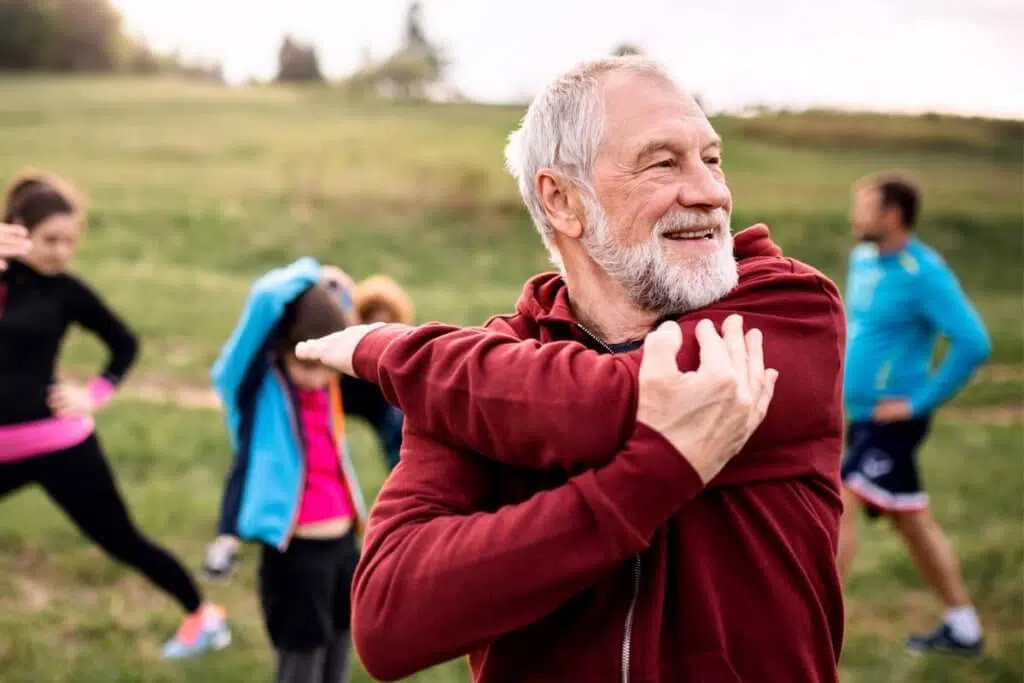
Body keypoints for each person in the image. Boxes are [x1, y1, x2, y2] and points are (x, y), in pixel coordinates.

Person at [296, 56, 847, 683]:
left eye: (712, 158)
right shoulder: (482, 376)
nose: (711, 192)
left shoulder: (787, 308)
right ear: (562, 200)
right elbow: (390, 621)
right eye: (664, 162)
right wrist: (654, 475)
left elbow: (606, 404)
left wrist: (395, 350)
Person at [0, 170, 230, 660]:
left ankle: (202, 615)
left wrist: (94, 394)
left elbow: (124, 344)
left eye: (69, 241)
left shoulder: (66, 292)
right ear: (17, 228)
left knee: (121, 539)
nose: (60, 252)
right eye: (49, 240)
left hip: (57, 444)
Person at [837, 172, 991, 655]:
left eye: (865, 206)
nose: (854, 215)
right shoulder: (863, 260)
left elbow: (973, 342)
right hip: (861, 416)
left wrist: (918, 402)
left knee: (840, 500)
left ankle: (816, 626)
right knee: (911, 520)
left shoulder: (923, 272)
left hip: (894, 421)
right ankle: (963, 627)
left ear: (893, 215)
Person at [203, 258, 368, 683]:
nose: (317, 378)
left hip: (344, 544)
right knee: (300, 663)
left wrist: (336, 290)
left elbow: (343, 318)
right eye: (306, 365)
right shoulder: (255, 390)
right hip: (296, 554)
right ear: (279, 347)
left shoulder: (328, 383)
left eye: (323, 364)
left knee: (339, 652)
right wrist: (315, 272)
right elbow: (265, 297)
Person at [340, 274, 413, 471]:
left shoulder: (400, 359)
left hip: (381, 403)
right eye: (372, 324)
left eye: (387, 326)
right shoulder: (341, 355)